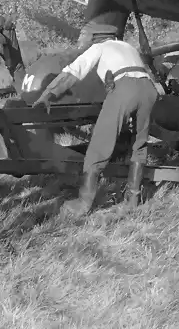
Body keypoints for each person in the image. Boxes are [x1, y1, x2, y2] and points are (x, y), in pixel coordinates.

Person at [32, 28, 158, 217]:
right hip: (149, 89)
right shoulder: (127, 47)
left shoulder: (99, 48)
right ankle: (133, 199)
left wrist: (47, 95)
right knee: (139, 144)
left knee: (99, 146)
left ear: (96, 39)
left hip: (125, 89)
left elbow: (72, 73)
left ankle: (83, 203)